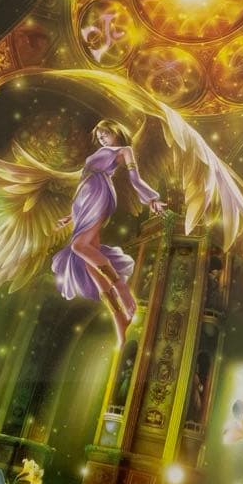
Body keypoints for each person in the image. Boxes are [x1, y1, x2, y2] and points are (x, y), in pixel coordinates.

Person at [52, 120, 166, 343]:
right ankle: (119, 320)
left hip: (100, 194)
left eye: (105, 133)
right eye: (99, 136)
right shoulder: (99, 154)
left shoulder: (125, 150)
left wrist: (152, 198)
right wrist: (71, 215)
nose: (102, 138)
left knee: (79, 246)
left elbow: (135, 179)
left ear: (116, 132)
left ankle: (121, 287)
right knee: (89, 262)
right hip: (83, 202)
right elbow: (83, 182)